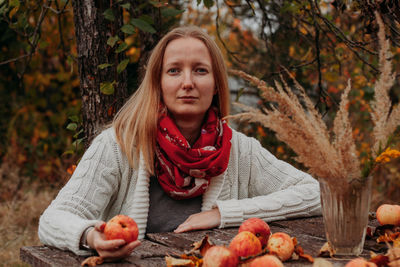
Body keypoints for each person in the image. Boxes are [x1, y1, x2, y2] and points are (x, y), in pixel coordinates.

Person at [38, 26, 321, 260]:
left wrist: (222, 214)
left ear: (216, 84)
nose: (187, 82)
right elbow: (53, 219)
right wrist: (91, 236)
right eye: (174, 71)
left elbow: (315, 194)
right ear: (157, 82)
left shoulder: (240, 151)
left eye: (200, 70)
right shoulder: (119, 145)